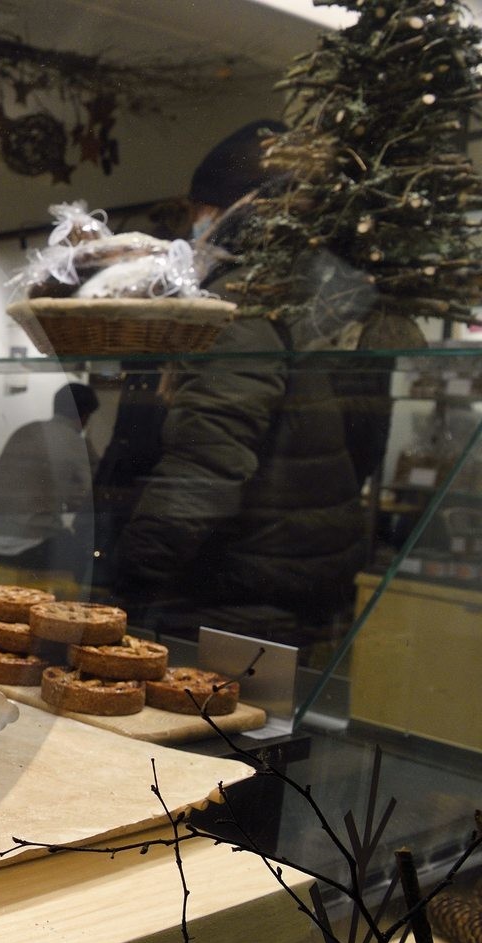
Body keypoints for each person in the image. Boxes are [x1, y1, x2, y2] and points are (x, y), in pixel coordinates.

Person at [110, 120, 394, 650]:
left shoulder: (238, 307)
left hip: (231, 594)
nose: (194, 226)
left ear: (226, 210)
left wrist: (124, 585)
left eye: (199, 210)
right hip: (303, 582)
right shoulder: (322, 296)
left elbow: (204, 468)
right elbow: (363, 448)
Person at [0, 383, 99, 580]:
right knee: (92, 557)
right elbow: (91, 494)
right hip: (33, 545)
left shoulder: (25, 430)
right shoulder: (75, 441)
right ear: (84, 416)